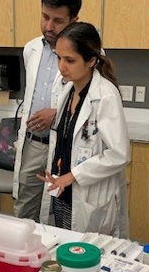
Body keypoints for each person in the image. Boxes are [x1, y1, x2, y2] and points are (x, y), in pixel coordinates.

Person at [37, 22, 130, 235]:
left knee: (86, 256)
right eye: (58, 58)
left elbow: (119, 154)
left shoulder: (105, 96)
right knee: (65, 249)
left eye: (70, 60)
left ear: (91, 60)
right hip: (63, 192)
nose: (61, 67)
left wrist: (73, 176)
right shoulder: (67, 91)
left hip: (89, 196)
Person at [13, 0, 82, 222]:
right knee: (25, 207)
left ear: (74, 20)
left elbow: (91, 103)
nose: (49, 26)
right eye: (45, 17)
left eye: (58, 21)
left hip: (65, 145)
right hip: (33, 142)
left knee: (64, 209)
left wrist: (58, 113)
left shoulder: (88, 54)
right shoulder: (31, 49)